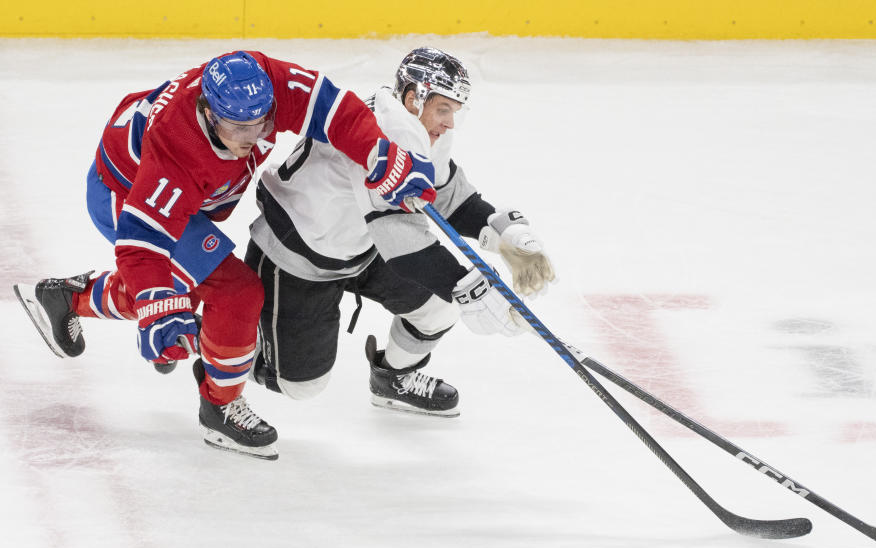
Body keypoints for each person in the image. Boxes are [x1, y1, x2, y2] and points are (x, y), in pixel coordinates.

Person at [13, 51, 437, 460]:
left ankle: (68, 298)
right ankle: (220, 406)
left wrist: (382, 157)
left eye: (262, 123)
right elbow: (143, 245)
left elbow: (332, 108)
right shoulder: (175, 149)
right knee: (233, 294)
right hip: (126, 195)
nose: (253, 138)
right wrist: (159, 309)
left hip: (179, 196)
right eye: (239, 128)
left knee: (191, 286)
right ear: (209, 112)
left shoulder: (261, 81)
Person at [244, 47, 556, 417]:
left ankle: (392, 380)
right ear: (414, 97)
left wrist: (503, 235)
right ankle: (218, 339)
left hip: (361, 246)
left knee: (439, 308)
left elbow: (448, 195)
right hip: (296, 255)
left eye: (455, 111)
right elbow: (404, 244)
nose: (450, 123)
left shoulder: (415, 125)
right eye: (444, 109)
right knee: (299, 386)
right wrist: (473, 289)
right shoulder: (386, 134)